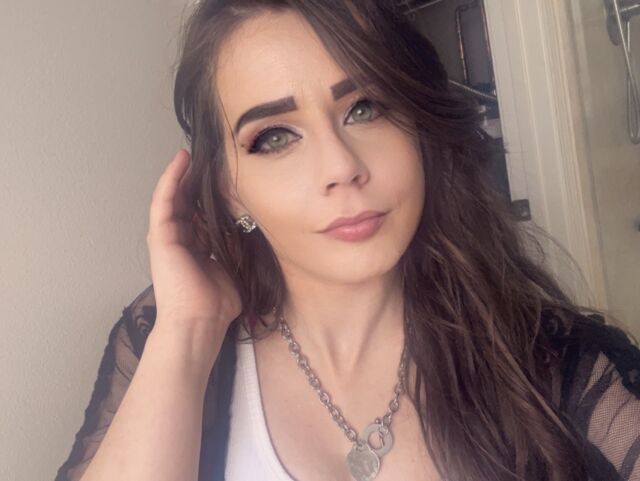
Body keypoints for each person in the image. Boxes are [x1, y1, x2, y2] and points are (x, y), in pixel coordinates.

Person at [54, 1, 640, 480]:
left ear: (420, 131)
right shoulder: (168, 337)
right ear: (230, 192)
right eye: (274, 137)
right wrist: (188, 330)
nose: (341, 166)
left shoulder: (555, 362)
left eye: (365, 108)